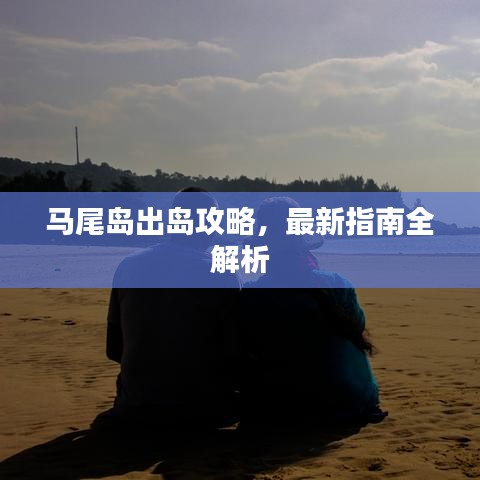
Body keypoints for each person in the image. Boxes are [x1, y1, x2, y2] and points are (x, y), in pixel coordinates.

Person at [95, 188, 241, 430]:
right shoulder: (221, 273)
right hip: (201, 410)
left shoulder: (129, 265)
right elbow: (234, 351)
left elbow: (114, 349)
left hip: (135, 406)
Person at [238, 196, 386, 426]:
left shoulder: (252, 295)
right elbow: (358, 326)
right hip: (350, 402)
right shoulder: (337, 283)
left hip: (285, 408)